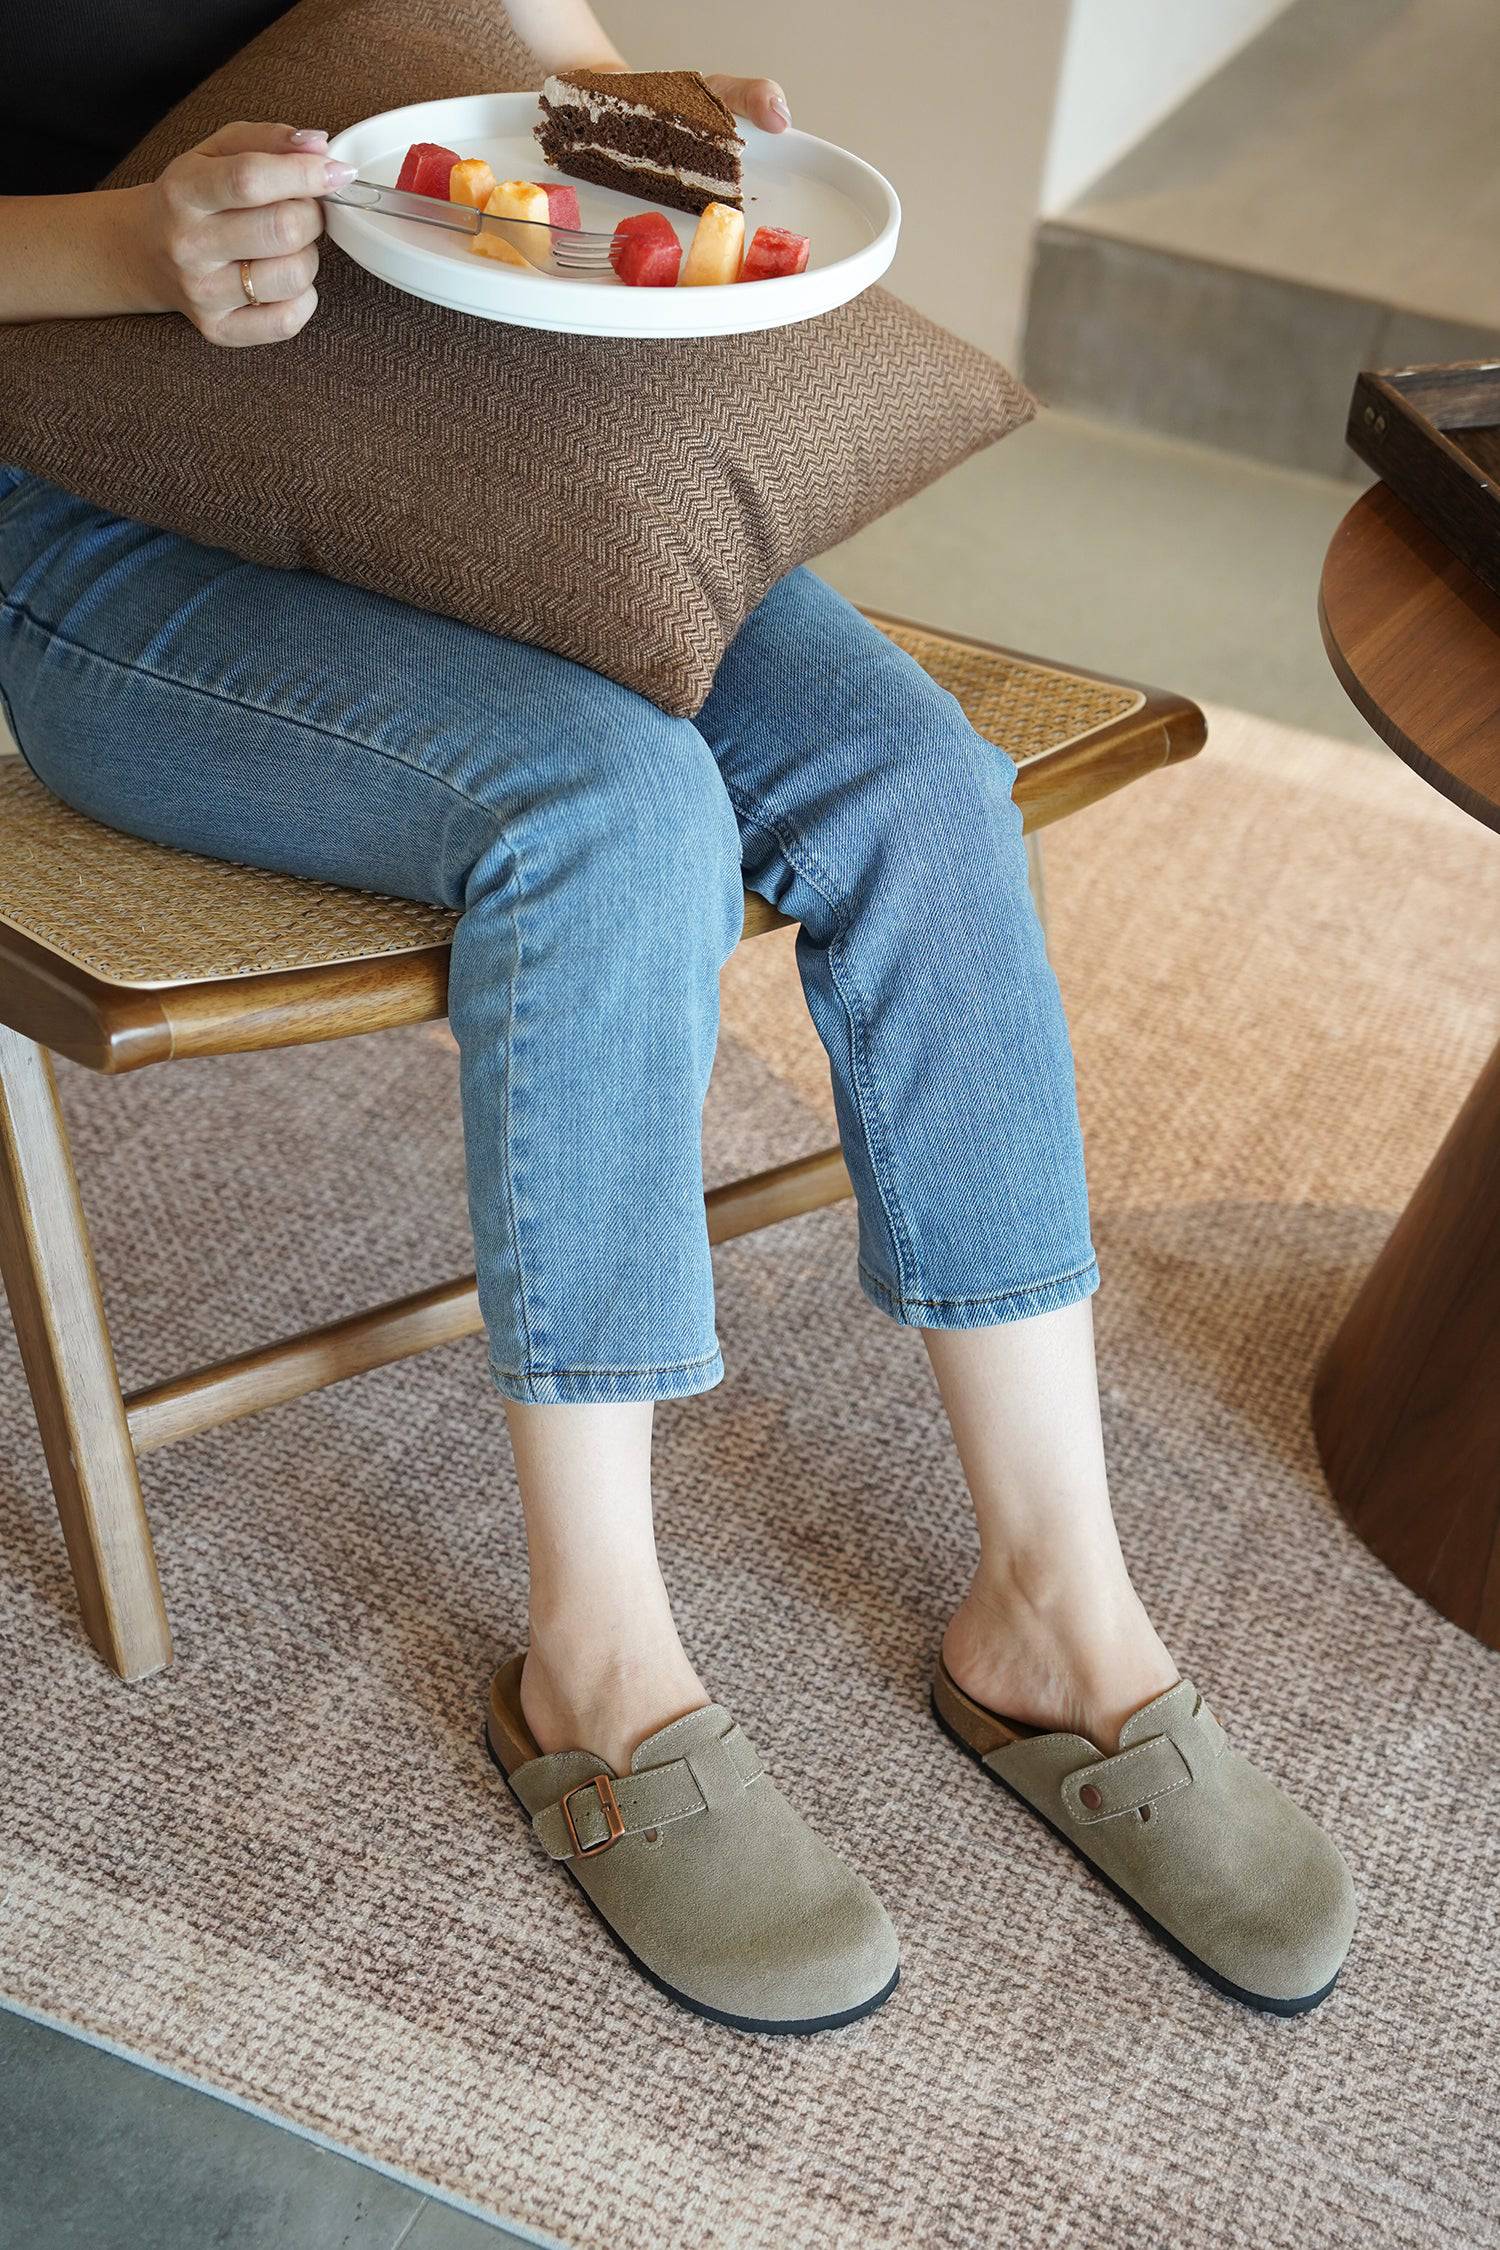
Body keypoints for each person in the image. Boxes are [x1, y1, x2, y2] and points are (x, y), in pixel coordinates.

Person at [0, 0, 1355, 2034]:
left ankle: (1059, 1617)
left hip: (437, 397)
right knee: (611, 812)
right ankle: (601, 1672)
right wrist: (123, 247)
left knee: (912, 784)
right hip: (87, 511)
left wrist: (623, 101)